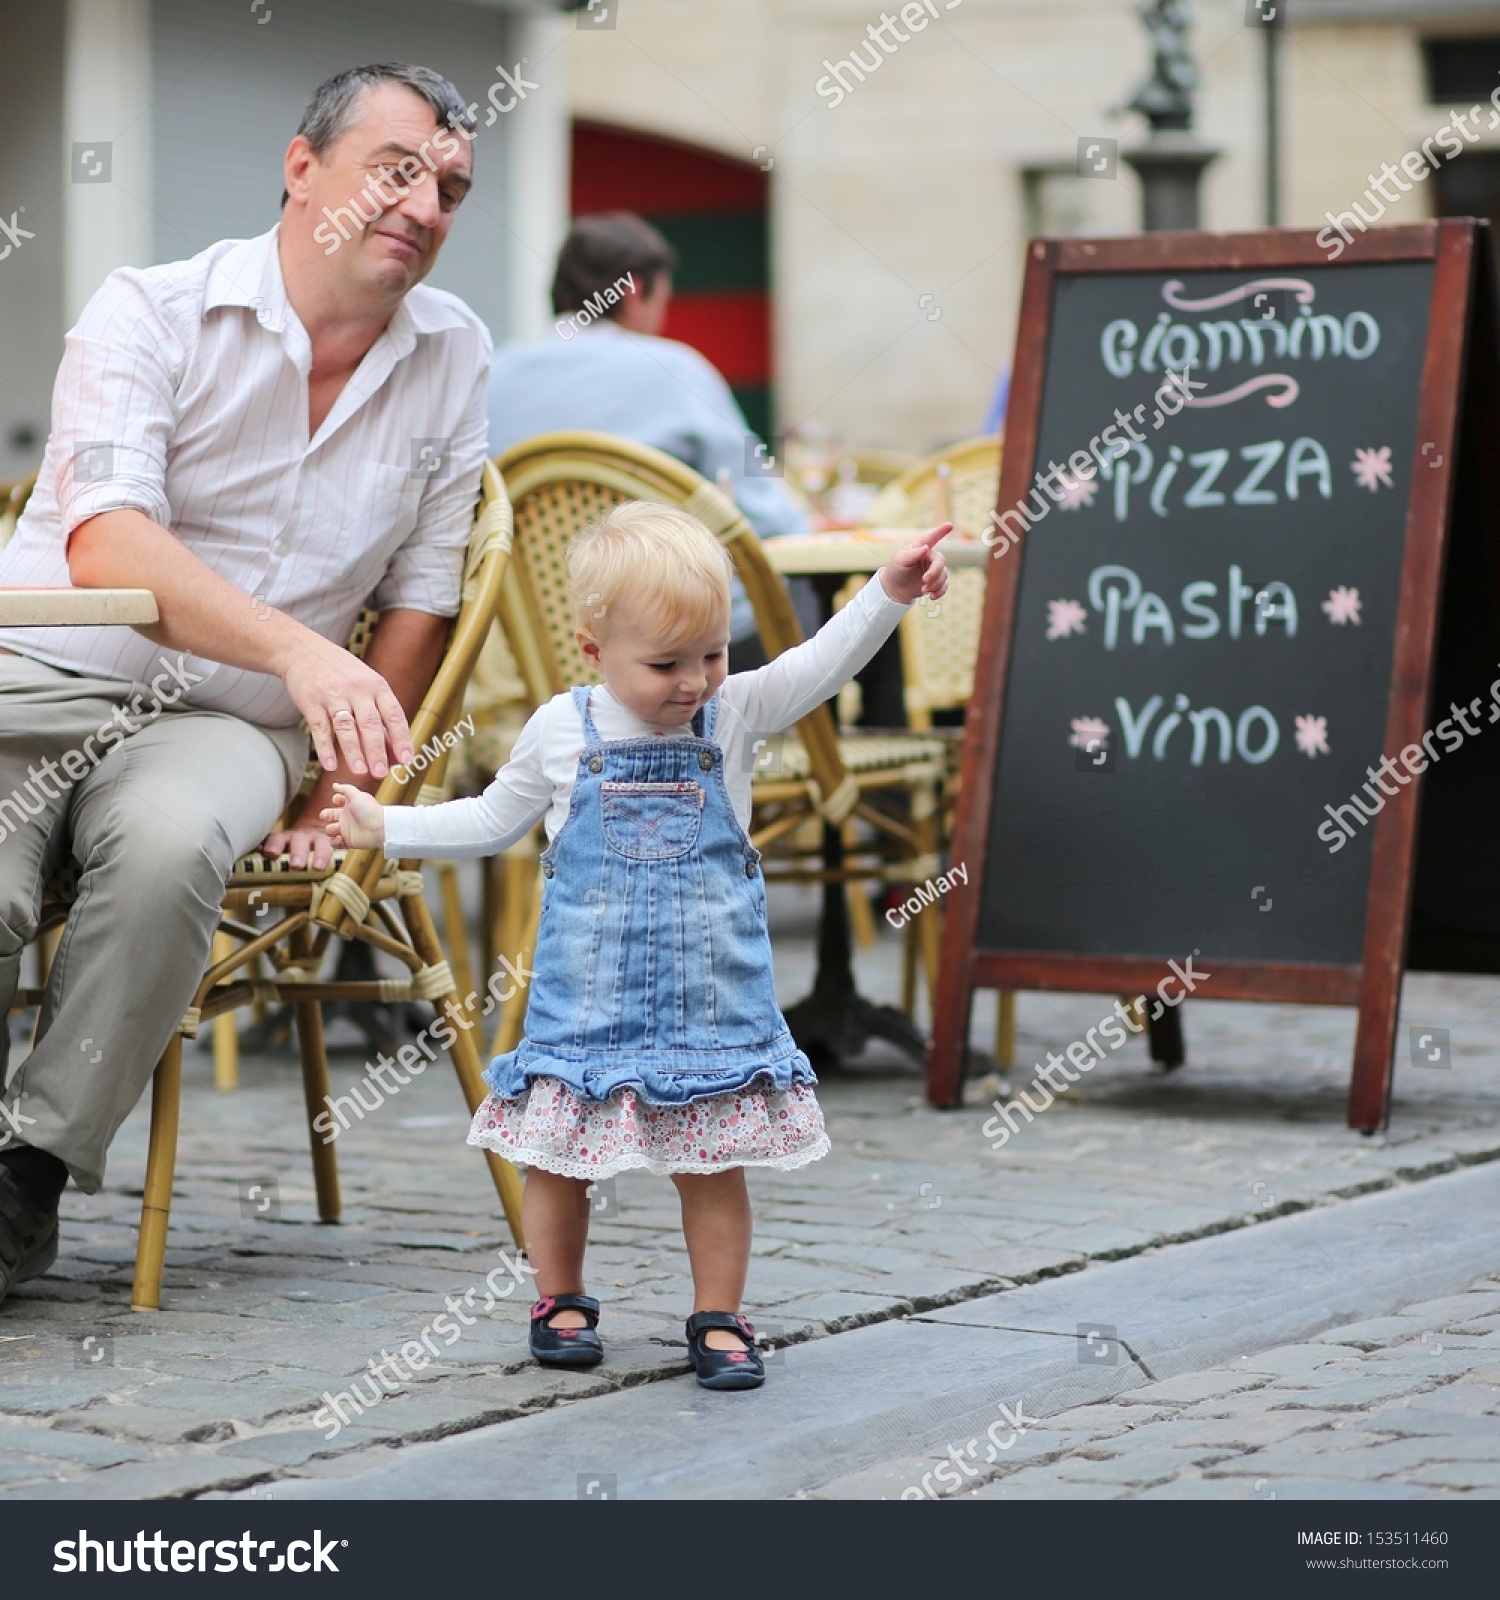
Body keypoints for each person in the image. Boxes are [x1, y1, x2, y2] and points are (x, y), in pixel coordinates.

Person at [0, 63, 490, 1307]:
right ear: (300, 166)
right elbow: (105, 540)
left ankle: (28, 1174)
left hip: (228, 722)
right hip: (45, 665)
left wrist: (346, 779)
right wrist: (299, 645)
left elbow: (426, 596)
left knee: (168, 857)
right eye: (396, 167)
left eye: (450, 186)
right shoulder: (149, 310)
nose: (425, 203)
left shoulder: (453, 354)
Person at [323, 502, 950, 1388]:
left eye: (711, 654)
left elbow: (819, 664)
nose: (694, 681)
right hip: (588, 1004)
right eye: (665, 664)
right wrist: (385, 824)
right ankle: (562, 1295)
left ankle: (720, 1314)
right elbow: (492, 820)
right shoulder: (559, 729)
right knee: (557, 1160)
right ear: (594, 650)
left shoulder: (730, 715)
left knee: (712, 1164)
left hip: (711, 1002)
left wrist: (887, 592)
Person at [485, 212, 811, 655]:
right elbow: (773, 520)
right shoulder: (674, 369)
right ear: (637, 289)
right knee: (857, 609)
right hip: (687, 642)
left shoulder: (493, 378)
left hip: (543, 648)